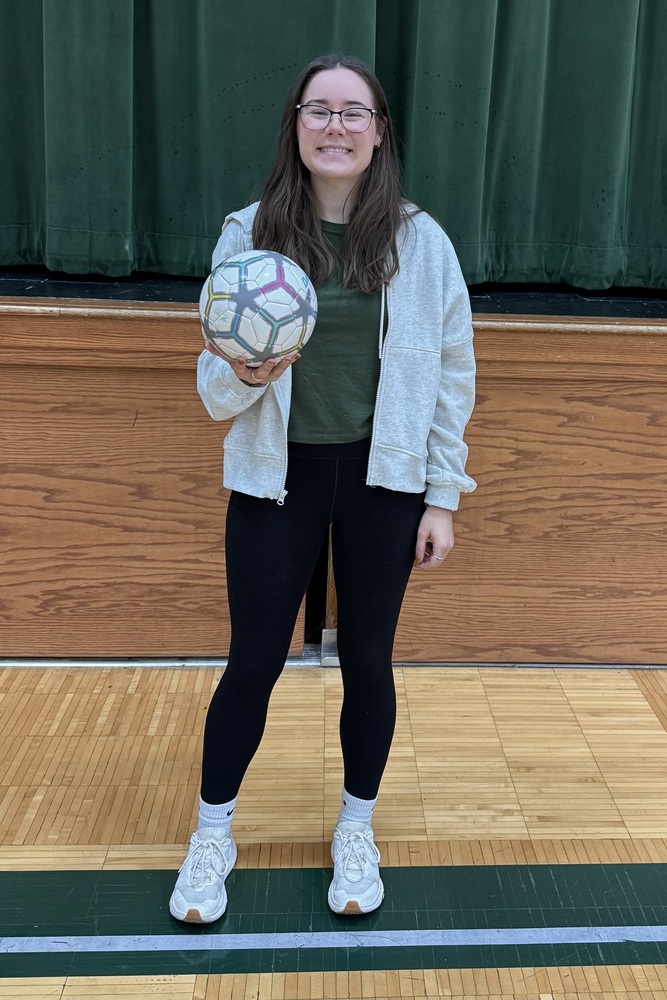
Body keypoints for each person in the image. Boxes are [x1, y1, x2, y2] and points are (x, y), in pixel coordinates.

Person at [169, 53, 476, 924]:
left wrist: (442, 495)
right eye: (318, 110)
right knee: (253, 662)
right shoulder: (248, 234)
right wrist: (249, 372)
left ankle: (356, 828)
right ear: (294, 126)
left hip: (382, 484)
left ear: (379, 133)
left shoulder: (421, 244)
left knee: (368, 664)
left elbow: (453, 373)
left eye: (354, 112)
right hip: (276, 481)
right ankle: (211, 835)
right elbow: (211, 390)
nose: (334, 126)